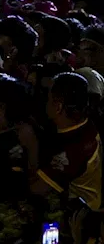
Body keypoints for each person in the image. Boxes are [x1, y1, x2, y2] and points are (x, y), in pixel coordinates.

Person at [34, 71, 102, 212]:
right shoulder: (85, 124)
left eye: (47, 97)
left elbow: (37, 189)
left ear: (58, 107)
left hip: (84, 218)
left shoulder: (74, 148)